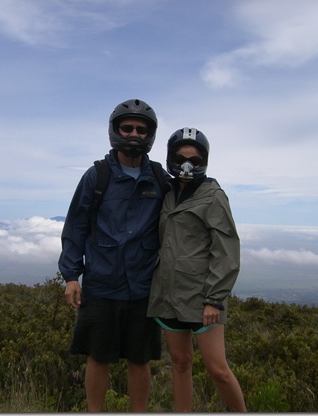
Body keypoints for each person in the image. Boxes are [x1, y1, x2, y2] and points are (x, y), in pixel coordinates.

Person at [58, 98, 169, 412]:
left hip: (144, 288)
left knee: (140, 359)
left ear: (150, 135)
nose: (134, 134)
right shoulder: (97, 177)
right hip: (102, 284)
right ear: (115, 130)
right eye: (127, 127)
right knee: (99, 357)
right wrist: (70, 276)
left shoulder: (159, 179)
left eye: (141, 129)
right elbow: (76, 227)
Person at [147, 127, 246, 412]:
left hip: (202, 298)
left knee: (217, 369)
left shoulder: (213, 196)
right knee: (180, 363)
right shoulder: (166, 194)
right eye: (179, 158)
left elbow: (226, 249)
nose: (186, 165)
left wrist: (214, 298)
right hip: (168, 295)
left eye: (194, 158)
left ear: (204, 160)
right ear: (170, 159)